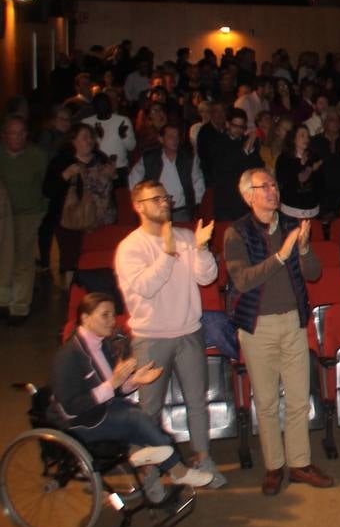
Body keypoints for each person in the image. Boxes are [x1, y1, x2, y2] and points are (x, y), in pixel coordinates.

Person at [222, 168, 333, 495]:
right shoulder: (237, 233)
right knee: (267, 402)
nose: (272, 190)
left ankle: (299, 464)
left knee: (299, 398)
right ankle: (274, 466)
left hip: (292, 322)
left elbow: (314, 273)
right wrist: (282, 255)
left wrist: (302, 250)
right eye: (264, 186)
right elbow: (242, 280)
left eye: (274, 184)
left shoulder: (290, 226)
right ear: (248, 195)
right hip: (258, 328)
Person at [114, 180, 225, 487]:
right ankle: (148, 473)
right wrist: (168, 251)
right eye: (156, 198)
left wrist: (201, 247)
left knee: (197, 402)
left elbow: (208, 276)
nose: (165, 202)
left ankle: (204, 459)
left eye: (166, 197)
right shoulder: (130, 248)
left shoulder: (186, 237)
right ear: (138, 206)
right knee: (150, 408)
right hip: (151, 336)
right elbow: (147, 287)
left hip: (189, 330)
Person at [50, 292, 213, 500]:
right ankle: (172, 467)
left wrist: (135, 381)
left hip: (102, 411)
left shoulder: (102, 346)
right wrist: (113, 383)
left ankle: (150, 459)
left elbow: (114, 390)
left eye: (113, 315)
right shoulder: (68, 356)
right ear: (85, 317)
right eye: (105, 315)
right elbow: (72, 406)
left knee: (140, 417)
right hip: (79, 422)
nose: (112, 321)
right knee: (135, 418)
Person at [43, 123, 116, 291]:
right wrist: (65, 175)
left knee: (94, 259)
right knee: (71, 260)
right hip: (71, 221)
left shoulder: (101, 159)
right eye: (84, 137)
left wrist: (112, 175)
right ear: (73, 140)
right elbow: (48, 190)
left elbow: (113, 188)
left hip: (99, 221)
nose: (89, 141)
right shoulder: (61, 161)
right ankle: (71, 296)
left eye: (91, 137)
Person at [1, 116, 49, 325]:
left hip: (29, 213)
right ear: (4, 136)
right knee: (5, 258)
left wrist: (42, 210)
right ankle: (4, 300)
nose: (18, 137)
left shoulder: (36, 156)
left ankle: (19, 306)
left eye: (22, 133)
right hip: (4, 214)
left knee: (23, 258)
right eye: (13, 133)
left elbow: (45, 185)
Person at [127, 124, 205, 223]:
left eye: (177, 136)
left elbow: (198, 181)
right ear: (161, 139)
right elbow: (133, 179)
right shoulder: (149, 158)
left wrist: (195, 204)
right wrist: (143, 201)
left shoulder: (189, 158)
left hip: (181, 210)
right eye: (170, 137)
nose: (175, 140)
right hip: (156, 210)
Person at [210, 108, 265, 223]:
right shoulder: (218, 142)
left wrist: (250, 150)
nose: (239, 130)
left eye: (242, 127)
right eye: (235, 126)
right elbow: (225, 167)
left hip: (244, 202)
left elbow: (259, 167)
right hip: (226, 202)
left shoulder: (247, 142)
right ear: (227, 124)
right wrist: (245, 150)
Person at [274, 124, 324, 220]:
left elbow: (320, 183)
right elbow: (284, 182)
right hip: (291, 211)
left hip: (312, 210)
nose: (306, 139)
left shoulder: (314, 157)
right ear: (293, 138)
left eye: (307, 136)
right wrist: (302, 165)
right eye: (302, 135)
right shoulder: (284, 159)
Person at [83, 92, 135, 175]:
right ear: (94, 106)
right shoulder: (86, 123)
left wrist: (123, 136)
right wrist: (98, 138)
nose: (102, 106)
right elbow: (83, 150)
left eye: (104, 103)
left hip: (119, 168)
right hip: (95, 170)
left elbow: (132, 147)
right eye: (99, 104)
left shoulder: (123, 120)